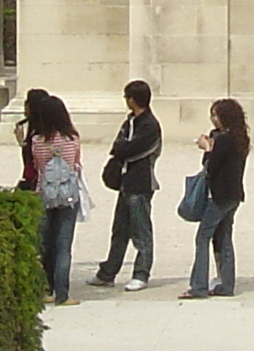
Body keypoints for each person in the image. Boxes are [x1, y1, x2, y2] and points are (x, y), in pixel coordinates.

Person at [90, 79, 162, 291]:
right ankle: (108, 273)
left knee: (141, 232)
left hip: (140, 183)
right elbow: (118, 145)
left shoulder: (150, 125)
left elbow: (132, 149)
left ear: (133, 99)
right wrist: (121, 148)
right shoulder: (130, 122)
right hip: (125, 183)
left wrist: (122, 149)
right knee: (119, 230)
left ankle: (141, 273)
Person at [183, 98, 249, 299]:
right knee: (224, 239)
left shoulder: (224, 140)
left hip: (219, 196)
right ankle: (226, 284)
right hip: (234, 195)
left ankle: (199, 286)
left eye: (216, 115)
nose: (213, 119)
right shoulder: (240, 137)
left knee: (203, 237)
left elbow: (210, 168)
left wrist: (207, 148)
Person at [25, 92, 86, 305]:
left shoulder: (37, 141)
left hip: (44, 193)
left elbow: (36, 165)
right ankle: (63, 293)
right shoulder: (72, 139)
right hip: (68, 195)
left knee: (46, 244)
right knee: (64, 245)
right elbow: (77, 165)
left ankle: (47, 288)